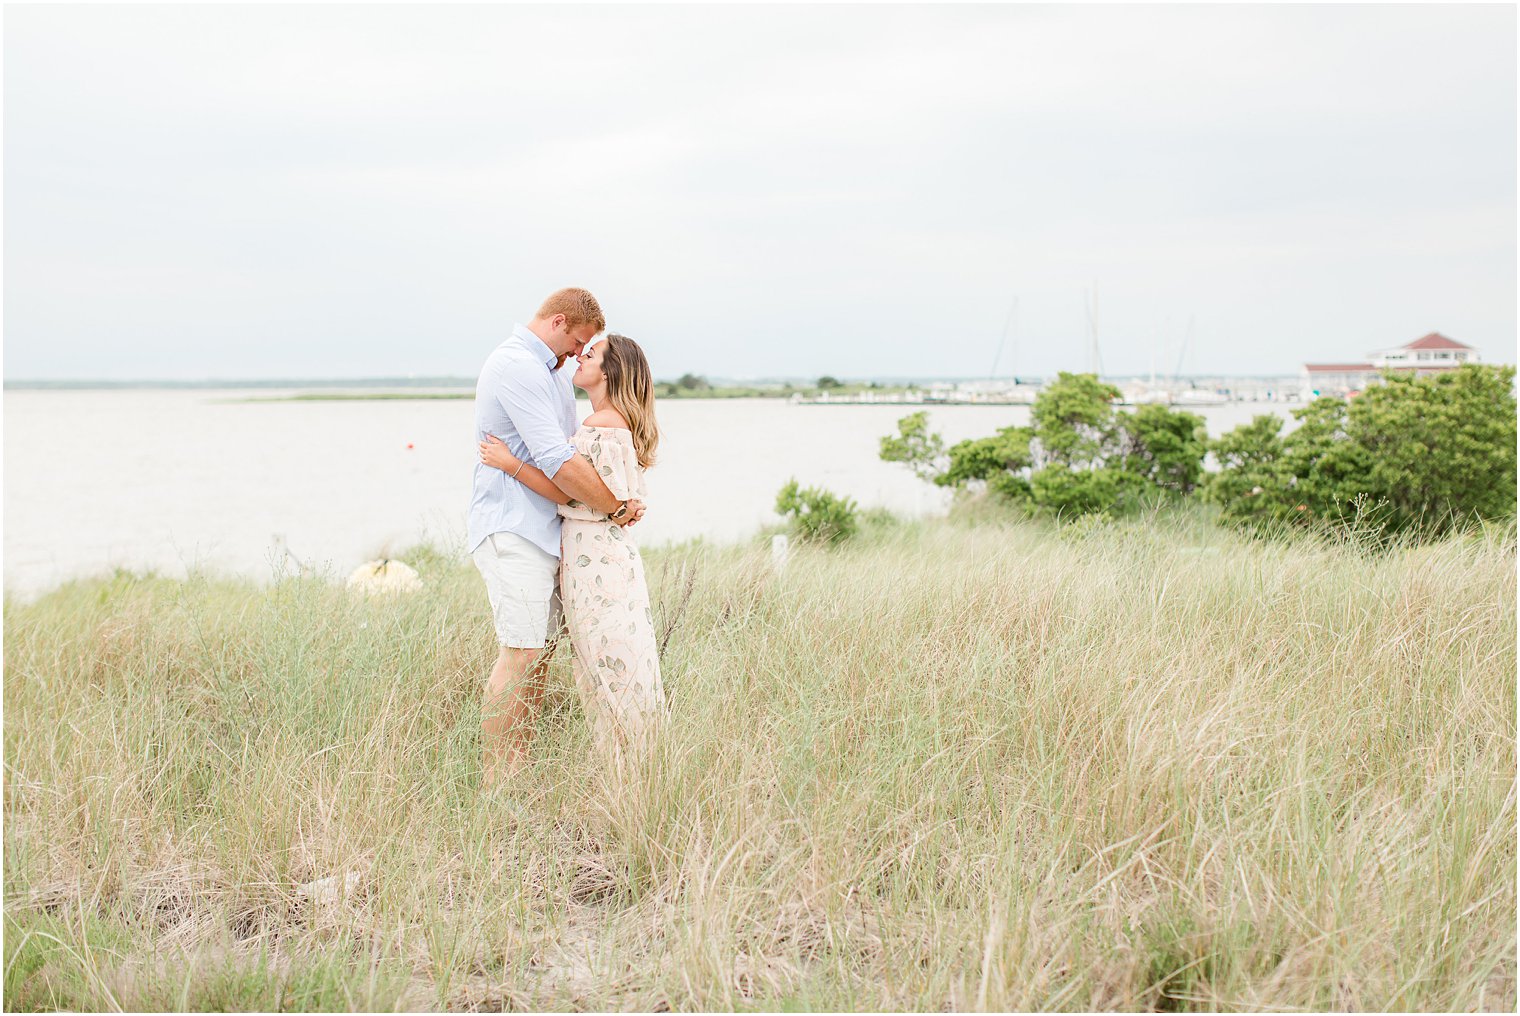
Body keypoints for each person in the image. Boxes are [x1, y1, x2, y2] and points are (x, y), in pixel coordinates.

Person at [468, 288, 645, 789]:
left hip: (549, 533)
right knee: (521, 653)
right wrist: (615, 506)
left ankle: (518, 773)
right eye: (576, 343)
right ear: (559, 322)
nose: (575, 357)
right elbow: (558, 460)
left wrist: (625, 495)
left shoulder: (548, 374)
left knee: (539, 656)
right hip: (514, 528)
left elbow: (584, 461)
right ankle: (497, 784)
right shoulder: (516, 366)